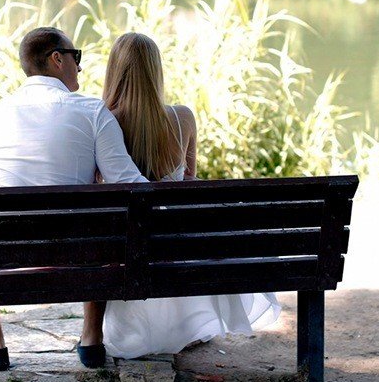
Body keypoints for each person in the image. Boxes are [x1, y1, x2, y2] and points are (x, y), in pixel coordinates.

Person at [0, 27, 148, 371]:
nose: (80, 66)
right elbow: (129, 183)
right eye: (77, 57)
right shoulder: (92, 111)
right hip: (80, 255)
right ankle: (91, 338)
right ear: (57, 59)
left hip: (7, 255)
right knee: (108, 227)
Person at [99, 32, 280, 359]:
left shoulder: (103, 121)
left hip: (126, 248)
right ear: (156, 71)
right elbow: (190, 182)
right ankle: (186, 326)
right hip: (175, 243)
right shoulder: (182, 118)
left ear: (115, 71)